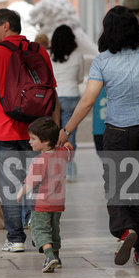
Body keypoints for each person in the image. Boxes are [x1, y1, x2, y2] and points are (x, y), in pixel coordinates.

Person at [58, 6, 139, 266]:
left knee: (116, 184)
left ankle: (124, 230)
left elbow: (88, 100)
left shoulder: (103, 60)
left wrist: (66, 131)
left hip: (118, 130)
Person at [0, 8, 59, 252]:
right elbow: (52, 92)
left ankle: (16, 239)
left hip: (5, 132)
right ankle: (42, 237)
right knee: (37, 186)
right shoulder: (39, 51)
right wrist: (55, 128)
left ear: (6, 26)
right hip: (38, 134)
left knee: (10, 187)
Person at [16, 117, 73, 272]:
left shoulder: (40, 161)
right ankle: (57, 257)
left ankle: (49, 256)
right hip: (58, 203)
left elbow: (30, 182)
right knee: (54, 229)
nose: (30, 141)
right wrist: (63, 141)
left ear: (46, 141)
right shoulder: (62, 154)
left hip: (41, 203)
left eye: (33, 139)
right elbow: (69, 147)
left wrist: (20, 194)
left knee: (40, 229)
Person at [50, 25, 84, 181]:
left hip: (53, 98)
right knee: (69, 134)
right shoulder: (77, 56)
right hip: (71, 96)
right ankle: (69, 170)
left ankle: (55, 170)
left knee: (53, 134)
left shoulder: (48, 55)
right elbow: (80, 79)